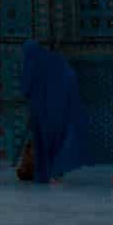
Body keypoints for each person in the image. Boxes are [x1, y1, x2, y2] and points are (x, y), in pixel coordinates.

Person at [21, 40, 86, 184]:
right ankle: (55, 173)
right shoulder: (56, 62)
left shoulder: (31, 62)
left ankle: (45, 174)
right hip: (59, 111)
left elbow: (25, 89)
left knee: (42, 144)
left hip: (41, 113)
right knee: (56, 142)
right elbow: (71, 77)